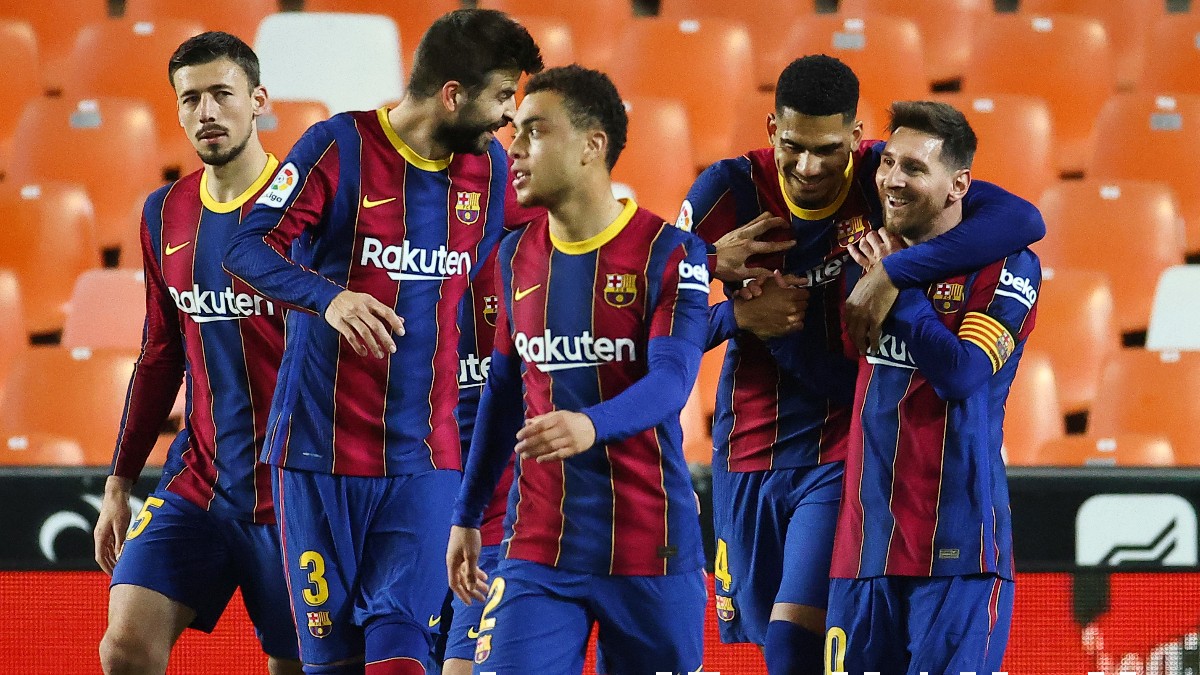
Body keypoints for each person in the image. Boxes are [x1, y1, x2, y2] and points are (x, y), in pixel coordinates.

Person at [679, 55, 1045, 675]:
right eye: (793, 146)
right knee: (772, 640)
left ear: (855, 139)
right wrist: (728, 301)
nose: (810, 166)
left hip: (844, 453)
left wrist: (893, 274)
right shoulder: (728, 190)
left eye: (829, 149)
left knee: (795, 643)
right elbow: (651, 313)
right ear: (772, 129)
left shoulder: (885, 174)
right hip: (748, 446)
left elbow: (1022, 219)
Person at [222, 9, 542, 674]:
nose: (507, 116)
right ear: (453, 94)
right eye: (500, 97)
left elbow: (589, 217)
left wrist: (700, 260)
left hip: (426, 462)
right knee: (334, 661)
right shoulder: (337, 147)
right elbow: (245, 246)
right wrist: (328, 296)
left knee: (401, 654)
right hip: (317, 455)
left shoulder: (489, 170)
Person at [446, 65, 709, 675]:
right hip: (540, 546)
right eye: (514, 132)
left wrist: (590, 425)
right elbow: (503, 396)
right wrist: (467, 515)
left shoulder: (670, 252)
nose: (514, 147)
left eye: (535, 132)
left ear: (593, 145)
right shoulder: (512, 256)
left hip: (651, 546)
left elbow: (672, 382)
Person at [93, 32, 301, 675]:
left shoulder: (309, 208)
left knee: (297, 666)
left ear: (258, 100)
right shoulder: (165, 212)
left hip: (299, 495)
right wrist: (119, 483)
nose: (206, 112)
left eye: (221, 94)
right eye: (191, 100)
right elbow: (160, 354)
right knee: (124, 648)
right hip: (200, 480)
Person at [823, 100, 1037, 675]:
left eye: (914, 168)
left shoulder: (1009, 267)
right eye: (888, 162)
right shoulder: (864, 255)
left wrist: (903, 287)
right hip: (863, 551)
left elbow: (963, 374)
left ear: (958, 184)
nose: (892, 178)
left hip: (959, 551)